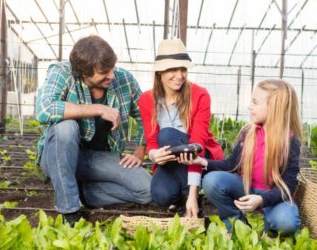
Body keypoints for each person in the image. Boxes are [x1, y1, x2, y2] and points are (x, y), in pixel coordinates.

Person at [36, 35, 152, 224]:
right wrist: (99, 109)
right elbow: (44, 109)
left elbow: (145, 115)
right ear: (83, 72)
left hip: (98, 158)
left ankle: (82, 191)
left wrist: (140, 151)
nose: (112, 75)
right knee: (66, 128)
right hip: (58, 156)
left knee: (147, 190)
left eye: (112, 68)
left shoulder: (124, 79)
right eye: (104, 72)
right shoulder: (62, 73)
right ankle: (70, 210)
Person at [179, 79, 302, 234]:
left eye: (255, 102)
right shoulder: (248, 133)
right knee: (212, 180)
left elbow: (289, 186)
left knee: (287, 223)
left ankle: (267, 226)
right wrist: (203, 162)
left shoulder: (290, 141)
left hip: (274, 196)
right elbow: (232, 165)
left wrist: (262, 200)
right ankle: (237, 224)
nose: (250, 106)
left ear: (274, 108)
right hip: (246, 188)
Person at [138, 39, 224, 218]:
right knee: (161, 195)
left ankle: (190, 198)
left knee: (167, 135)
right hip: (171, 162)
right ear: (160, 72)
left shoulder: (200, 95)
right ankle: (180, 197)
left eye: (183, 69)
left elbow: (197, 145)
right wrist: (154, 155)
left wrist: (192, 195)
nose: (179, 75)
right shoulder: (147, 99)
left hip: (199, 158)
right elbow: (152, 141)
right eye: (172, 69)